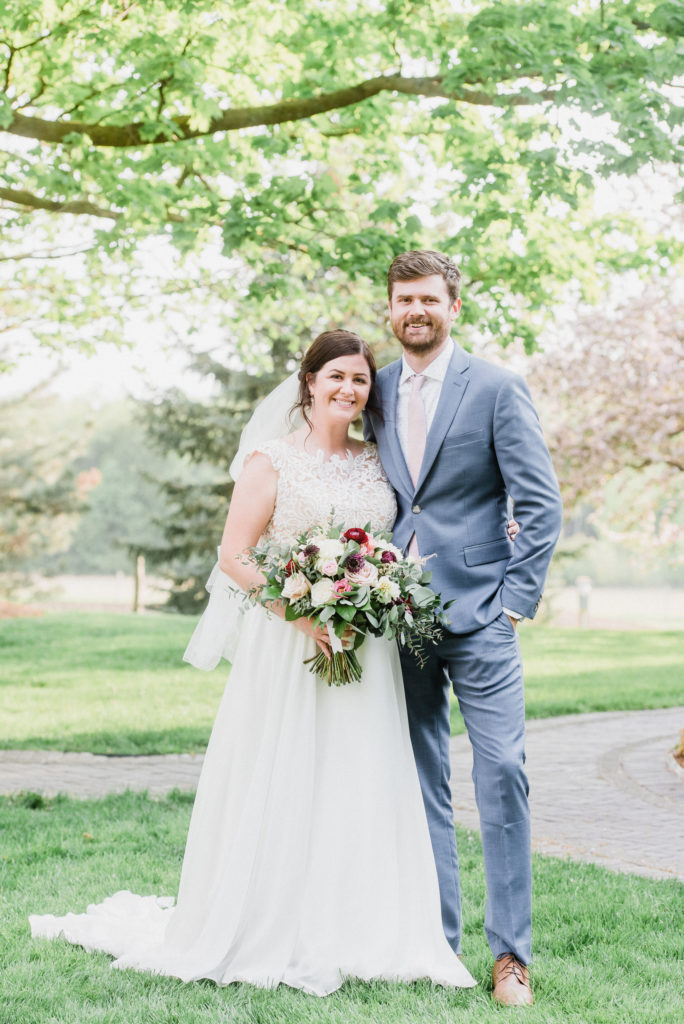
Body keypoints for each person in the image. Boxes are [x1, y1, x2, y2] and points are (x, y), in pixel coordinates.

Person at [30, 330, 478, 996]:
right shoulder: (272, 461)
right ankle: (268, 921)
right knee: (286, 771)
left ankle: (360, 926)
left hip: (365, 645)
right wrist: (304, 614)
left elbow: (400, 535)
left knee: (359, 775)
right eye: (336, 377)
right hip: (290, 642)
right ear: (310, 382)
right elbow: (235, 555)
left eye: (360, 380)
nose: (349, 389)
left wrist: (370, 595)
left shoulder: (378, 460)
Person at [364, 250, 563, 1007]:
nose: (415, 310)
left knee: (502, 772)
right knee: (421, 781)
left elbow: (539, 502)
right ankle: (436, 943)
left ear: (453, 306)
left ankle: (510, 957)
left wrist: (513, 601)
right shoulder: (375, 389)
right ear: (390, 309)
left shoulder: (498, 388)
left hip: (483, 615)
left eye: (428, 299)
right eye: (403, 299)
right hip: (399, 617)